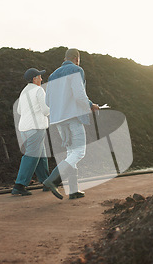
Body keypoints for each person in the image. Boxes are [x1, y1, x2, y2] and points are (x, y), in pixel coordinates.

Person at [43, 48, 100, 199]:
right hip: (72, 117)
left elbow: (47, 101)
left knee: (71, 153)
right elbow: (79, 94)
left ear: (64, 58)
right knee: (79, 152)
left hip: (58, 119)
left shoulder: (53, 75)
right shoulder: (76, 69)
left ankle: (73, 190)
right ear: (77, 58)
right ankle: (52, 179)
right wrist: (91, 105)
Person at [12, 68, 63, 199]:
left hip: (24, 128)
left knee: (41, 155)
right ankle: (19, 185)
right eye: (40, 77)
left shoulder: (24, 91)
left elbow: (19, 110)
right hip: (36, 128)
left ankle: (46, 181)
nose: (41, 79)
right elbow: (46, 111)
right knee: (32, 156)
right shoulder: (39, 90)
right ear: (34, 79)